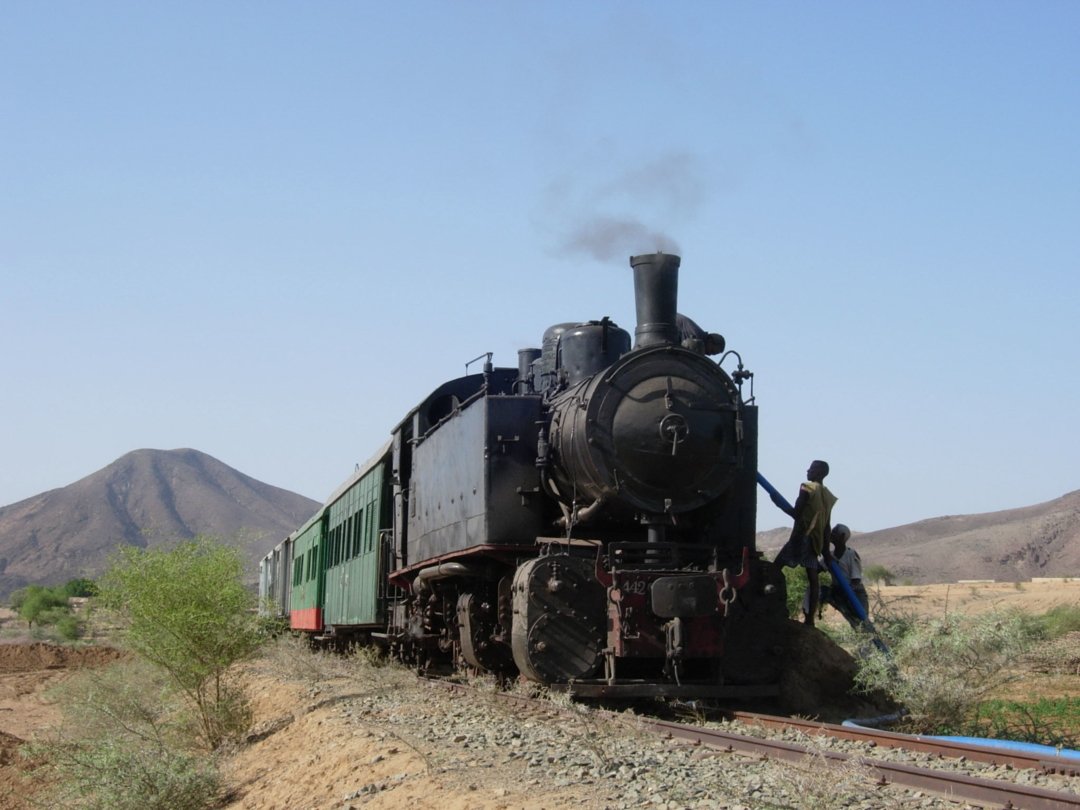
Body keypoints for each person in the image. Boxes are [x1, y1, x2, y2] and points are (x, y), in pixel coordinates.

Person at [773, 460, 837, 627]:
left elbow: (796, 513)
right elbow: (827, 526)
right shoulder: (828, 496)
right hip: (815, 540)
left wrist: (777, 502)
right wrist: (826, 551)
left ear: (819, 472)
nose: (808, 471)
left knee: (774, 568)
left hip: (801, 537)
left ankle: (776, 607)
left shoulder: (807, 487)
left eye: (812, 468)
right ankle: (810, 620)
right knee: (813, 578)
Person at [804, 524, 870, 628]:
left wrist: (847, 594)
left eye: (834, 533)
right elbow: (816, 570)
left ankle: (867, 640)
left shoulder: (851, 554)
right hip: (838, 591)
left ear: (842, 536)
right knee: (812, 589)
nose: (831, 535)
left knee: (862, 623)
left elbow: (856, 580)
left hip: (855, 592)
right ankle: (808, 617)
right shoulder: (829, 555)